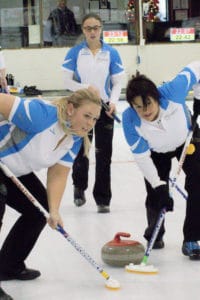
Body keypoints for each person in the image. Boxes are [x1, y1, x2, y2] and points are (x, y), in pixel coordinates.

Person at [0, 89, 101, 299]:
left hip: (13, 170)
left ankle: (8, 266)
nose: (90, 123)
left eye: (94, 119)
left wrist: (54, 211)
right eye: (87, 116)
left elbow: (58, 174)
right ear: (71, 109)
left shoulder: (73, 138)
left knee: (40, 211)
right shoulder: (40, 115)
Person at [122, 61, 200, 259]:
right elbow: (141, 157)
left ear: (156, 96)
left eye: (147, 103)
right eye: (138, 107)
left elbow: (197, 67)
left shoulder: (173, 91)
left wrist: (198, 97)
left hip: (186, 139)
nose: (145, 111)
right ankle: (155, 233)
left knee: (198, 182)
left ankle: (192, 238)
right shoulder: (130, 119)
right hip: (156, 151)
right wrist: (159, 185)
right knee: (155, 192)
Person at [62, 13, 124, 213]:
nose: (92, 32)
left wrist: (113, 102)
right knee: (82, 151)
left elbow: (117, 82)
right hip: (81, 109)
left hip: (104, 109)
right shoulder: (75, 53)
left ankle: (103, 198)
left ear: (101, 28)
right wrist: (86, 87)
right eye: (88, 28)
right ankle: (79, 186)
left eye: (96, 27)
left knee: (104, 154)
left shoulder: (111, 53)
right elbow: (66, 81)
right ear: (83, 30)